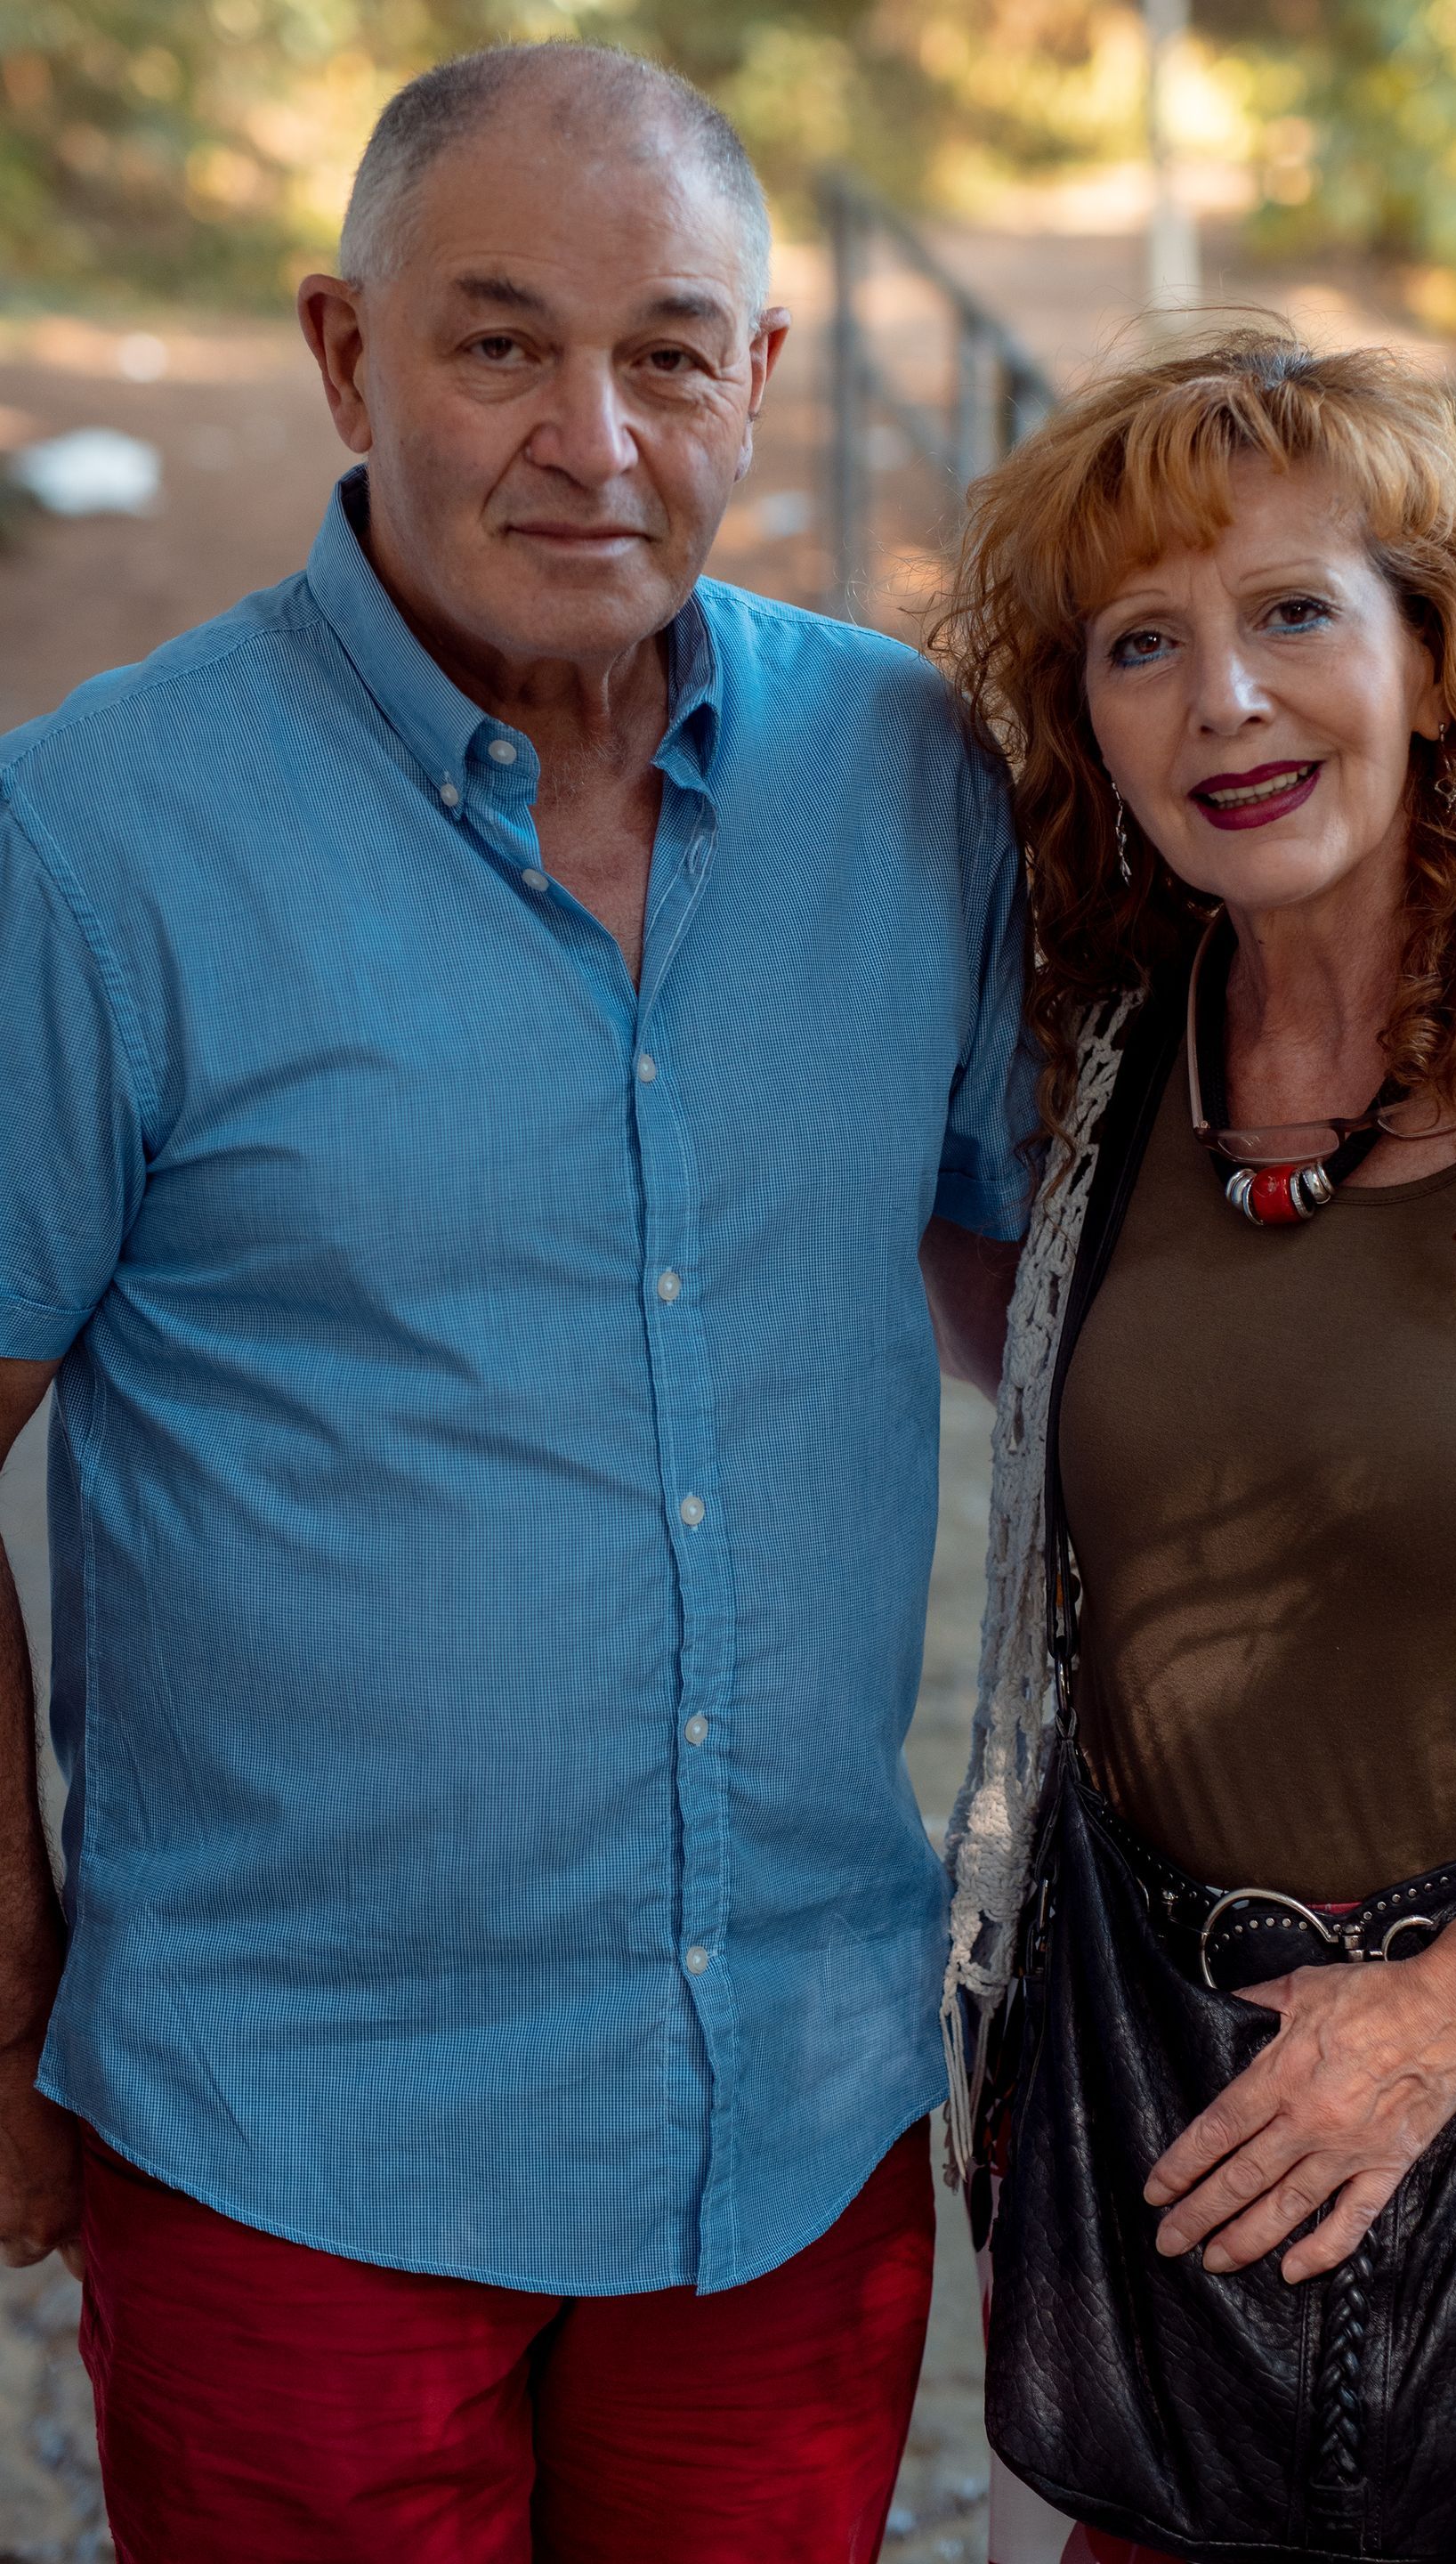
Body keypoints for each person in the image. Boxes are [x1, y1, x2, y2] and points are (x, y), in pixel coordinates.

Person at [0, 43, 1030, 2564]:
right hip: (294, 2146)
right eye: (499, 346)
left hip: (790, 2128)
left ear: (757, 377)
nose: (595, 438)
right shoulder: (92, 839)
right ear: (345, 356)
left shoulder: (917, 780)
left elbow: (1060, 1316)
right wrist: (4, 1994)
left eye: (668, 353)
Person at [935, 331, 1456, 2563]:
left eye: (1294, 611)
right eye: (1140, 644)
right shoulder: (1099, 1073)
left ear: (1432, 654)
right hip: (1164, 2112)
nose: (1226, 702)